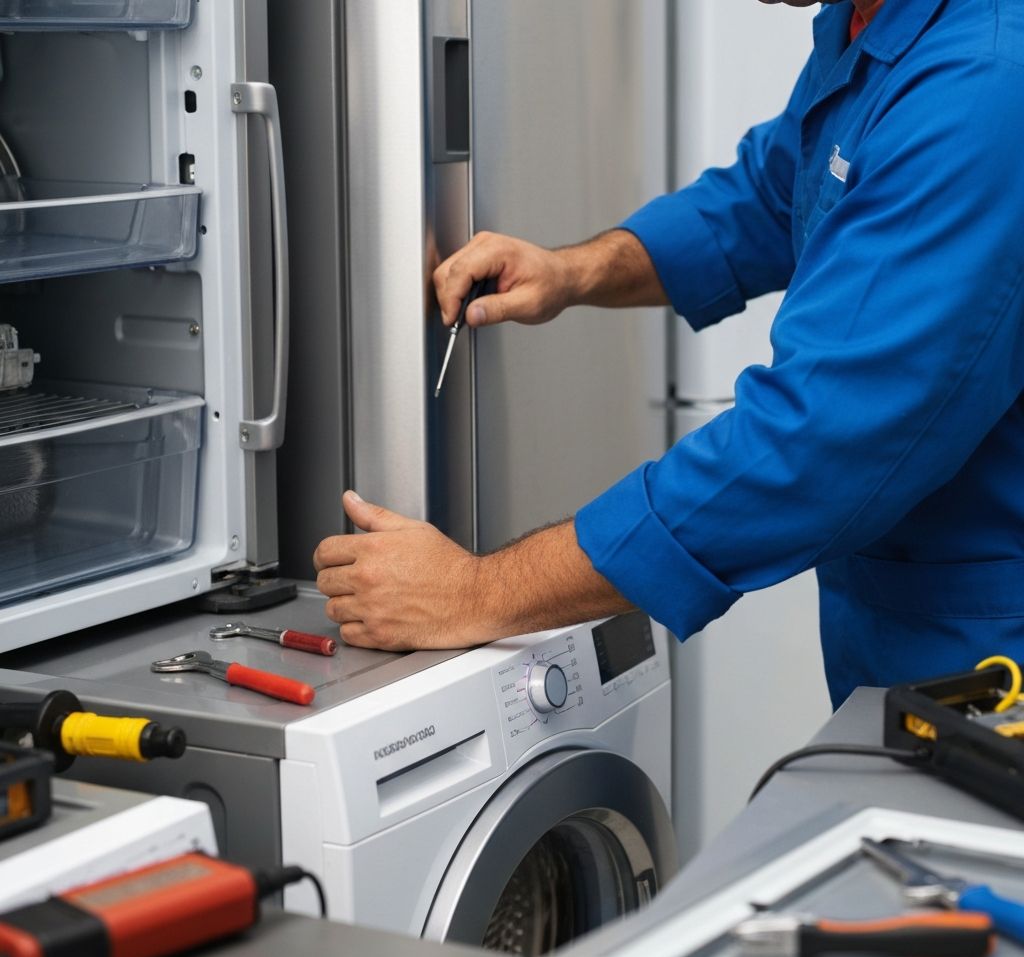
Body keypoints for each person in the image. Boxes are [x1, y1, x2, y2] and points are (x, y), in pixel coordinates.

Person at [314, 0, 1024, 709]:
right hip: (904, 642)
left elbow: (814, 444)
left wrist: (478, 592)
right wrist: (575, 271)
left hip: (993, 664)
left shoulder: (979, 86)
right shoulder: (867, 23)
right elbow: (772, 195)